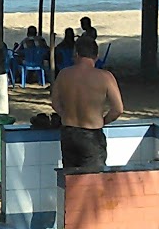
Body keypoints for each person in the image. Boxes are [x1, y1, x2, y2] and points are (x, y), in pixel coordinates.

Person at [50, 35, 123, 173]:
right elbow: (118, 109)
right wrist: (103, 121)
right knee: (93, 183)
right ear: (96, 56)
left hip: (69, 132)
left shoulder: (64, 74)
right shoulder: (105, 77)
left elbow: (55, 103)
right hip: (92, 134)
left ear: (76, 54)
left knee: (71, 181)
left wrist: (65, 114)